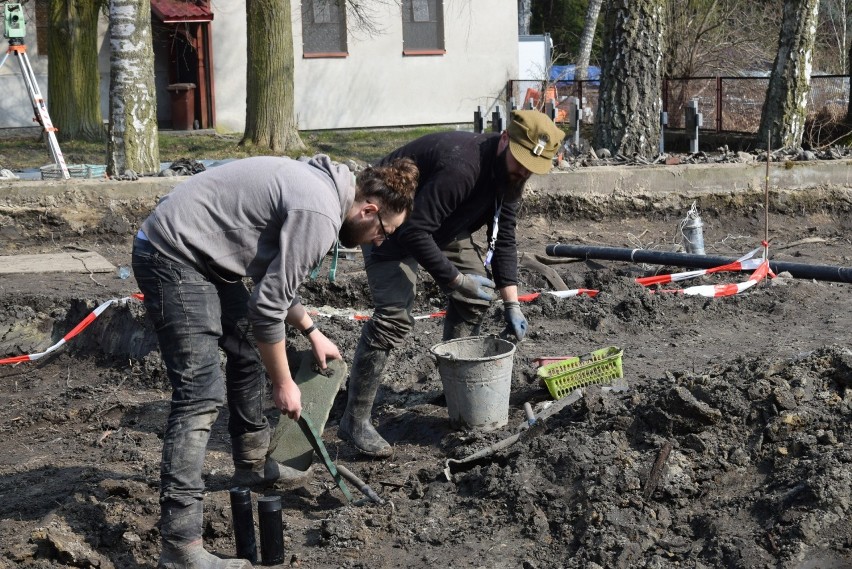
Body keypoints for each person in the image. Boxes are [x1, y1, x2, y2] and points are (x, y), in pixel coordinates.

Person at [132, 154, 418, 569]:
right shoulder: (319, 212)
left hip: (202, 252)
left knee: (246, 346)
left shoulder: (322, 191)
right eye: (383, 231)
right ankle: (180, 547)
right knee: (199, 395)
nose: (379, 241)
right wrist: (283, 383)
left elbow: (271, 277)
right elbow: (268, 308)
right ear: (369, 209)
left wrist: (311, 330)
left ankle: (251, 466)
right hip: (172, 254)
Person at [338, 109, 565, 458]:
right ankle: (355, 421)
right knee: (394, 317)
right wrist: (456, 280)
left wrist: (511, 303)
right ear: (504, 139)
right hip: (389, 224)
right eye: (519, 161)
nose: (523, 171)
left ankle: (455, 385)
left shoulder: (512, 178)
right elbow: (412, 230)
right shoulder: (462, 168)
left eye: (531, 168)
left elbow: (504, 239)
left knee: (478, 299)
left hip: (439, 226)